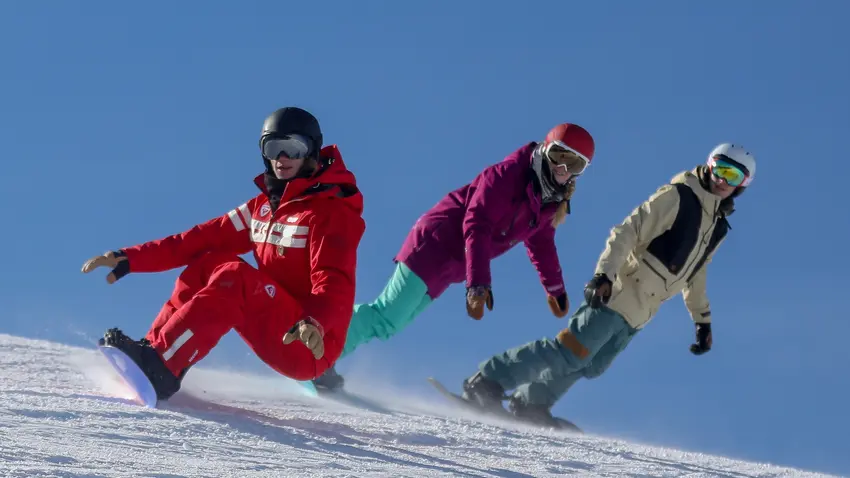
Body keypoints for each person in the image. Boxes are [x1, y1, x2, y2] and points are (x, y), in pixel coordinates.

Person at [459, 143, 756, 428]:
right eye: (720, 169)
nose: (722, 179)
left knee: (590, 366)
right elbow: (627, 231)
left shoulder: (717, 226)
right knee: (569, 351)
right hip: (618, 293)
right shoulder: (679, 197)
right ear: (709, 165)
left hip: (641, 313)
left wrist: (702, 320)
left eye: (733, 175)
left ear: (743, 185)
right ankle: (487, 382)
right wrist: (604, 275)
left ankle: (531, 404)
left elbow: (696, 272)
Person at [81, 106, 366, 401]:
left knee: (236, 277)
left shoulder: (331, 212)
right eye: (273, 147)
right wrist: (132, 257)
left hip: (309, 343)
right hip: (278, 319)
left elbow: (335, 281)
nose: (282, 158)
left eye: (292, 148)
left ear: (312, 151)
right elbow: (199, 238)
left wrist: (315, 322)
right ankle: (155, 350)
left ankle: (162, 368)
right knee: (210, 260)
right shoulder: (263, 208)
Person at [312, 123, 597, 392]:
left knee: (389, 323)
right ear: (546, 150)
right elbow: (477, 224)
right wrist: (478, 285)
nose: (562, 168)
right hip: (434, 245)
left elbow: (541, 243)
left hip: (452, 265)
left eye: (574, 164)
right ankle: (318, 353)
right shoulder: (507, 175)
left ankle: (321, 349)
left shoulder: (547, 201)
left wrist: (555, 289)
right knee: (385, 315)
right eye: (559, 156)